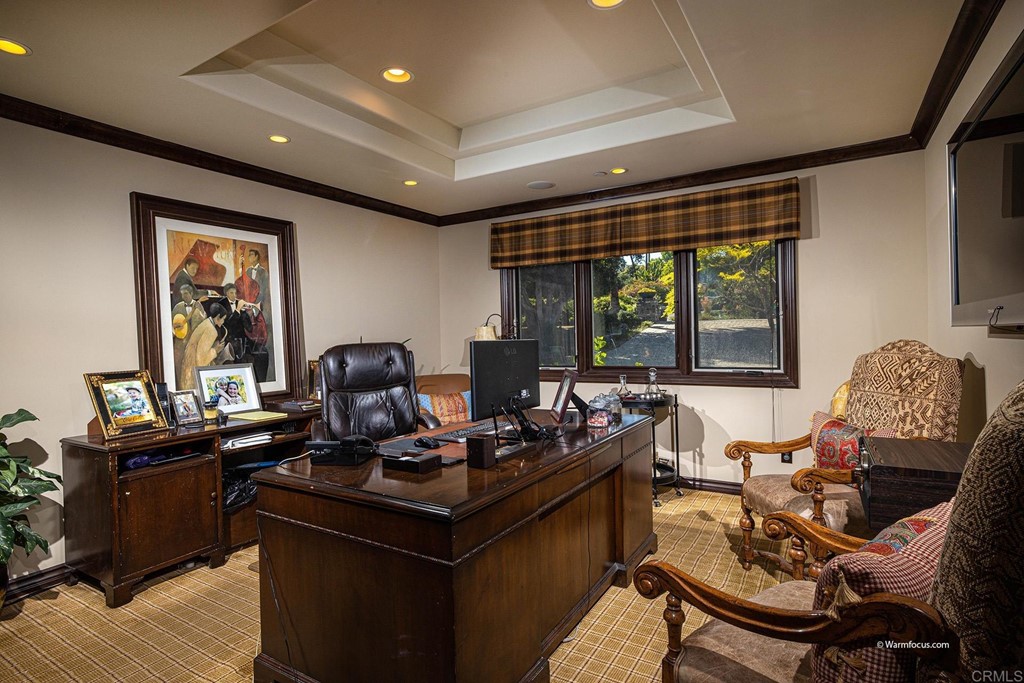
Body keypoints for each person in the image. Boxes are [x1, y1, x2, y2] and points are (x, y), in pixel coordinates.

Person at [179, 303, 228, 391]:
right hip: (193, 368)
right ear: (218, 316)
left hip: (189, 365)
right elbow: (201, 359)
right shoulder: (211, 330)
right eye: (223, 319)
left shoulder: (206, 323)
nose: (223, 322)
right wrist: (215, 350)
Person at [171, 284, 208, 385]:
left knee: (193, 369)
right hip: (180, 345)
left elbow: (204, 322)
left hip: (194, 345)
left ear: (191, 294)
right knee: (180, 369)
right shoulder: (177, 307)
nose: (184, 296)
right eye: (182, 294)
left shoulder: (198, 305)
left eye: (186, 294)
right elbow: (171, 325)